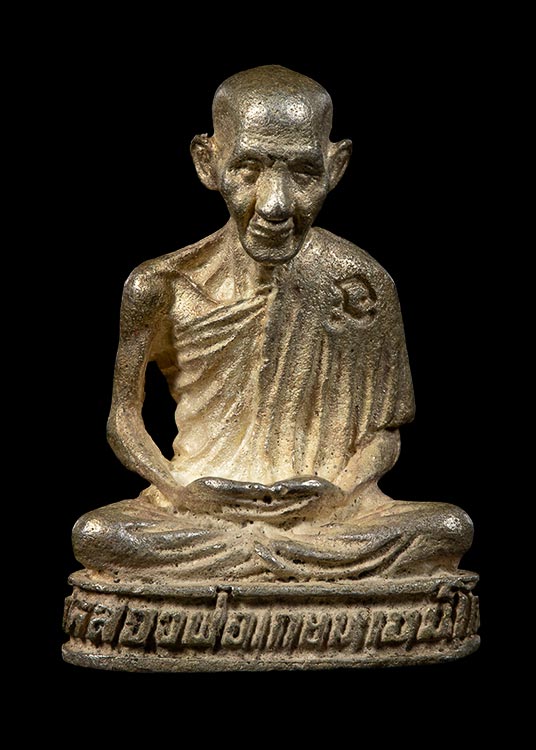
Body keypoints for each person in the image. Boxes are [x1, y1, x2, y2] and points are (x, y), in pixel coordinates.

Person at [73, 65, 473, 581]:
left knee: (446, 528)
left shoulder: (359, 283)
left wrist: (339, 491)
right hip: (198, 509)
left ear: (336, 167)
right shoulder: (160, 286)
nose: (276, 204)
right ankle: (290, 567)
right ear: (207, 162)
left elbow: (383, 436)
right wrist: (180, 490)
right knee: (100, 535)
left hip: (325, 513)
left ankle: (265, 562)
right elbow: (123, 421)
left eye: (303, 173)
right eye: (248, 169)